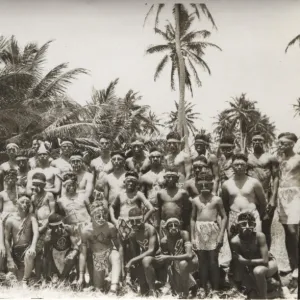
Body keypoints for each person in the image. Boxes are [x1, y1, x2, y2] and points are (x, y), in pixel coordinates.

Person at [190, 173, 227, 297]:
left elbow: (224, 216)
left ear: (212, 185)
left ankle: (215, 289)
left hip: (213, 230)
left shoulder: (217, 199)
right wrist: (193, 237)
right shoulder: (195, 200)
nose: (204, 186)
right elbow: (193, 219)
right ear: (197, 186)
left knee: (213, 260)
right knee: (202, 261)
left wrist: (221, 234)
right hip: (199, 231)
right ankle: (203, 287)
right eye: (201, 185)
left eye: (207, 184)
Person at [231, 212, 280, 299]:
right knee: (251, 294)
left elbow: (265, 261)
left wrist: (246, 261)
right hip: (250, 268)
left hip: (268, 264)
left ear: (254, 225)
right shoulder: (235, 241)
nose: (247, 227)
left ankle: (263, 297)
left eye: (250, 224)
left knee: (258, 271)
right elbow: (238, 263)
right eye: (243, 224)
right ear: (238, 225)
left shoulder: (259, 236)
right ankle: (269, 290)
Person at [79, 201, 122, 293]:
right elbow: (83, 254)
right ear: (92, 216)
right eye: (98, 216)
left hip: (109, 252)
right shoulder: (86, 231)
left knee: (116, 256)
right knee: (98, 289)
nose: (102, 218)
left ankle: (114, 288)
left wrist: (122, 268)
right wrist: (81, 275)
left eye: (104, 216)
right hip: (97, 258)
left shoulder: (110, 227)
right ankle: (103, 282)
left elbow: (119, 247)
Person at [221, 153, 267, 240]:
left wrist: (255, 215)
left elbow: (263, 203)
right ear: (232, 166)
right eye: (236, 164)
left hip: (252, 216)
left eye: (242, 164)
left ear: (246, 166)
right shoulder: (226, 184)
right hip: (234, 216)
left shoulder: (254, 182)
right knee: (234, 245)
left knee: (254, 245)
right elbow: (225, 204)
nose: (239, 167)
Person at [247, 132, 280, 249]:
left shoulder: (271, 158)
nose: (257, 142)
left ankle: (267, 255)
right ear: (251, 143)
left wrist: (273, 198)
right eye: (254, 140)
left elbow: (276, 177)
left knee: (266, 226)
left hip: (267, 193)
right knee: (251, 226)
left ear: (264, 143)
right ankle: (254, 254)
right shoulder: (247, 158)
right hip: (251, 195)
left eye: (259, 140)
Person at [277, 132, 300, 279]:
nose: (280, 145)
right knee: (287, 232)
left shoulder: (298, 158)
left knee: (294, 231)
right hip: (282, 196)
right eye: (279, 143)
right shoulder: (279, 158)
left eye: (283, 143)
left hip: (295, 195)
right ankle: (293, 266)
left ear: (291, 144)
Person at [159, 217, 198, 299]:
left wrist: (169, 257)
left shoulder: (184, 234)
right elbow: (167, 262)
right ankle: (192, 286)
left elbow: (189, 255)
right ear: (166, 228)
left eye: (175, 225)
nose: (173, 227)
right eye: (170, 225)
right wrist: (171, 279)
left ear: (179, 227)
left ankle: (186, 292)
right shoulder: (164, 241)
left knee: (182, 263)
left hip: (191, 261)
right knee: (177, 288)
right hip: (176, 263)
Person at [125, 206, 160, 297]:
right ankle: (143, 287)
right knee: (139, 263)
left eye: (138, 221)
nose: (135, 224)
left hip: (158, 258)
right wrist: (134, 262)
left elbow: (151, 250)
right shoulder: (133, 233)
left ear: (142, 218)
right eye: (132, 222)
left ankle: (153, 290)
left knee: (145, 260)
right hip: (146, 259)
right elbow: (135, 252)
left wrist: (132, 260)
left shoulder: (150, 229)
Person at [110, 171, 154, 241]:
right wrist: (113, 220)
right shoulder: (120, 194)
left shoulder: (138, 194)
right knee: (122, 246)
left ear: (136, 183)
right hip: (122, 223)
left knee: (134, 246)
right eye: (129, 181)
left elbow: (151, 208)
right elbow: (112, 206)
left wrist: (143, 221)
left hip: (135, 224)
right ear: (125, 182)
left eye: (133, 181)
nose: (130, 183)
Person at [4, 196, 39, 286]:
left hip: (27, 248)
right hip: (15, 251)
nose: (25, 204)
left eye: (27, 202)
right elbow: (7, 239)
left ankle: (25, 280)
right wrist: (9, 259)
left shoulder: (32, 217)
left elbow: (36, 233)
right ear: (17, 204)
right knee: (14, 280)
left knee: (30, 254)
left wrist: (33, 247)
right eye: (22, 202)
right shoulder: (10, 220)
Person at [31, 172, 55, 280]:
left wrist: (45, 226)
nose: (36, 187)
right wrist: (36, 227)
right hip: (37, 227)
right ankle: (37, 276)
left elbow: (53, 212)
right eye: (34, 184)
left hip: (48, 226)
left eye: (39, 184)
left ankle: (47, 276)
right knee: (37, 252)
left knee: (47, 252)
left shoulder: (49, 195)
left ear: (44, 185)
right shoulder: (32, 197)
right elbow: (32, 214)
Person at [57, 172, 91, 241]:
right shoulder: (61, 201)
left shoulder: (83, 196)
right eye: (69, 185)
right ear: (64, 186)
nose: (71, 187)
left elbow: (91, 211)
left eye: (73, 185)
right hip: (72, 229)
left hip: (87, 225)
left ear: (76, 185)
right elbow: (62, 215)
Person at [157, 168, 191, 235]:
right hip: (164, 222)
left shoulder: (182, 193)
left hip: (179, 222)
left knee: (179, 242)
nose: (170, 179)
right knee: (164, 242)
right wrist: (157, 222)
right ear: (164, 178)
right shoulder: (160, 193)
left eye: (173, 177)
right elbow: (158, 209)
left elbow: (187, 210)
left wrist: (186, 224)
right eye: (168, 177)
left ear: (177, 178)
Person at [47, 213, 79, 282]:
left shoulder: (68, 229)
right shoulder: (49, 233)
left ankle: (63, 278)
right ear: (50, 227)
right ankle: (55, 274)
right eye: (55, 227)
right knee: (47, 256)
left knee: (73, 257)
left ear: (62, 224)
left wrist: (72, 254)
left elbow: (75, 246)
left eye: (60, 225)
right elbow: (47, 253)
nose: (58, 228)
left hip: (67, 252)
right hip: (55, 254)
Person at [140, 147, 165, 230]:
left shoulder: (167, 174)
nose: (155, 159)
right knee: (151, 230)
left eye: (158, 157)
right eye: (153, 157)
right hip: (151, 208)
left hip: (164, 207)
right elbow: (141, 194)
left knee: (164, 231)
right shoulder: (144, 177)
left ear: (161, 158)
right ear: (149, 159)